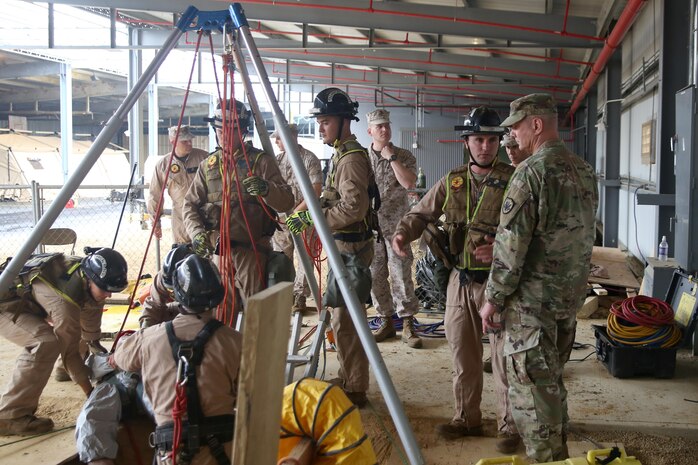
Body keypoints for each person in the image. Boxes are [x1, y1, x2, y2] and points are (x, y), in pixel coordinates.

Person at [480, 94, 598, 463]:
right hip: (566, 302)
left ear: (537, 124)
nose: (511, 135)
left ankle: (547, 458)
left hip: (532, 306)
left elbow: (511, 248)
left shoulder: (530, 173)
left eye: (515, 126)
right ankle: (558, 455)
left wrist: (493, 298)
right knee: (551, 388)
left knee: (532, 396)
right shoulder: (582, 169)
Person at [391, 107, 519, 447]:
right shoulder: (453, 180)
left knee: (504, 359)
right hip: (460, 282)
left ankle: (509, 426)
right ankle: (466, 419)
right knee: (464, 355)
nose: (486, 146)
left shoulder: (515, 180)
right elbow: (420, 213)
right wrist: (403, 234)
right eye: (479, 139)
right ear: (467, 142)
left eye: (493, 139)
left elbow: (532, 232)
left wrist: (502, 248)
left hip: (500, 285)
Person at [286, 88, 376, 408]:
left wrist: (316, 219)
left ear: (342, 121)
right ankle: (350, 377)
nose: (320, 128)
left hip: (352, 250)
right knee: (342, 319)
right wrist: (312, 211)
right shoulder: (341, 153)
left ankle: (356, 388)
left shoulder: (350, 158)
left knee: (347, 322)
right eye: (320, 122)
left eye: (325, 122)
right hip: (344, 248)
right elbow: (336, 198)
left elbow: (353, 209)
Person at [0, 248, 127, 435]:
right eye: (106, 290)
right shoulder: (63, 302)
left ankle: (63, 371)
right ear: (90, 279)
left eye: (114, 291)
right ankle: (10, 416)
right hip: (7, 305)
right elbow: (69, 351)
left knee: (77, 332)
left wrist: (102, 356)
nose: (109, 296)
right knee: (45, 342)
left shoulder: (87, 276)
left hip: (27, 299)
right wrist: (91, 394)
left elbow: (89, 331)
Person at [181, 99, 294, 306]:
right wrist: (196, 233)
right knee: (222, 311)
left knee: (255, 314)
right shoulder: (208, 166)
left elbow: (287, 201)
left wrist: (266, 189)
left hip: (252, 253)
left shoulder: (261, 162)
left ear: (242, 130)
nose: (223, 135)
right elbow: (189, 205)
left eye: (230, 130)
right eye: (219, 130)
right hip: (219, 253)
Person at [364, 109, 422, 349]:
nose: (384, 130)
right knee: (375, 275)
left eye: (387, 125)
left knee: (400, 273)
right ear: (370, 131)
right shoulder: (361, 158)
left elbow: (409, 183)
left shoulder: (404, 155)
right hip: (371, 227)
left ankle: (407, 323)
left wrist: (392, 158)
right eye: (379, 127)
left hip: (397, 225)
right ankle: (386, 321)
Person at [271, 123, 323, 312]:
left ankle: (299, 297)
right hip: (281, 221)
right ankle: (284, 295)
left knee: (305, 259)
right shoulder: (276, 161)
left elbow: (315, 190)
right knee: (281, 258)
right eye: (276, 138)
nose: (276, 142)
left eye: (279, 138)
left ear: (292, 137)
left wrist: (295, 214)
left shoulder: (309, 159)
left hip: (302, 218)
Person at [148, 125, 209, 244]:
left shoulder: (204, 158)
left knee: (208, 252)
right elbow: (155, 195)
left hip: (205, 216)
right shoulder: (163, 165)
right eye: (184, 141)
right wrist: (156, 222)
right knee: (183, 255)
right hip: (180, 220)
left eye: (190, 140)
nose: (189, 144)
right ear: (173, 142)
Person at [139, 244, 193, 329]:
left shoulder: (203, 277)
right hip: (181, 307)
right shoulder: (164, 276)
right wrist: (145, 330)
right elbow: (154, 304)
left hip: (200, 310)